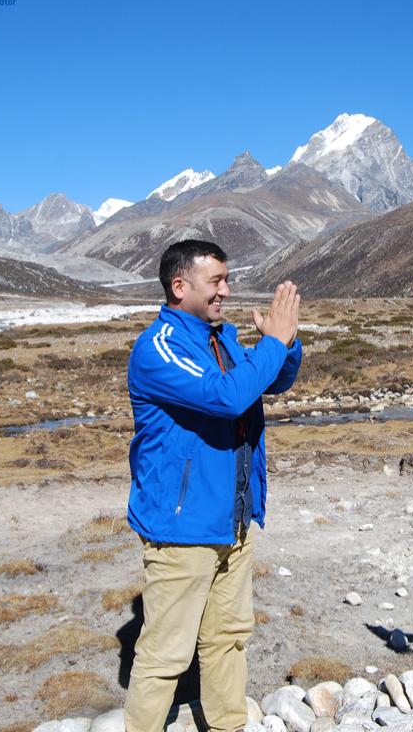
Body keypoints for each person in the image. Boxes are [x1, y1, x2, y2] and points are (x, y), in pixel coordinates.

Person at [123, 239, 302, 732]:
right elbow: (227, 397)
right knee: (165, 654)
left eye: (227, 279)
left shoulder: (216, 338)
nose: (226, 289)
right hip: (182, 528)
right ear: (180, 286)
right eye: (216, 281)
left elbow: (271, 380)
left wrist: (284, 345)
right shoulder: (159, 347)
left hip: (233, 519)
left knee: (227, 637)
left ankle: (228, 725)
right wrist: (273, 342)